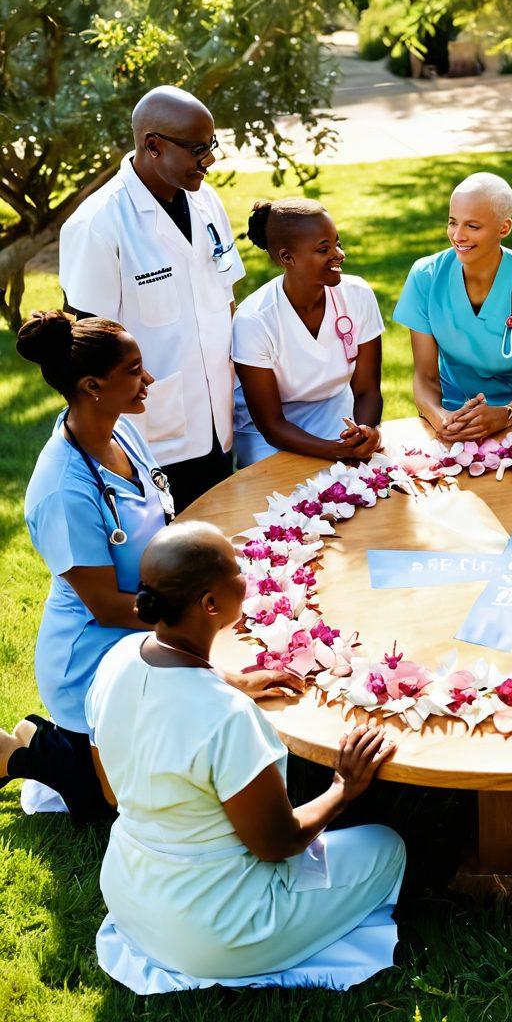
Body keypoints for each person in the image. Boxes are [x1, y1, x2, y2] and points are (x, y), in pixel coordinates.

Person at [0, 312, 299, 820]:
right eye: (135, 371)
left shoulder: (123, 434)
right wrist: (207, 634)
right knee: (119, 806)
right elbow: (108, 607)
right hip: (93, 655)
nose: (150, 380)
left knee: (192, 751)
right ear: (93, 386)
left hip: (154, 622)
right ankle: (26, 750)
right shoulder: (61, 489)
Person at [86, 521, 405, 984]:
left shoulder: (117, 660)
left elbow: (112, 793)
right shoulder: (225, 716)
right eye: (237, 570)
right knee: (386, 847)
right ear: (210, 604)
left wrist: (230, 680)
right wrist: (343, 788)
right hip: (217, 932)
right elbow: (277, 844)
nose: (247, 574)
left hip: (129, 894)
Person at [59, 85, 245, 510]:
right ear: (154, 145)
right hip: (154, 435)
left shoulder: (206, 201)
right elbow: (88, 343)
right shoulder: (98, 224)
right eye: (199, 148)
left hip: (220, 416)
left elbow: (225, 293)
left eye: (212, 145)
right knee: (170, 565)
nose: (210, 160)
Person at [394, 172, 512, 442]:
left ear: (504, 228)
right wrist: (442, 419)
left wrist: (505, 414)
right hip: (452, 411)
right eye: (453, 223)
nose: (458, 236)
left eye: (473, 226)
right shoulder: (425, 276)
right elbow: (425, 376)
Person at [232, 198, 384, 467]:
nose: (339, 254)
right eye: (324, 249)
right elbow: (271, 425)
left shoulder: (358, 295)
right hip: (270, 435)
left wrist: (363, 432)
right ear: (287, 257)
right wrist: (337, 451)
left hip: (338, 417)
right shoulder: (254, 319)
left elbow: (367, 391)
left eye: (338, 243)